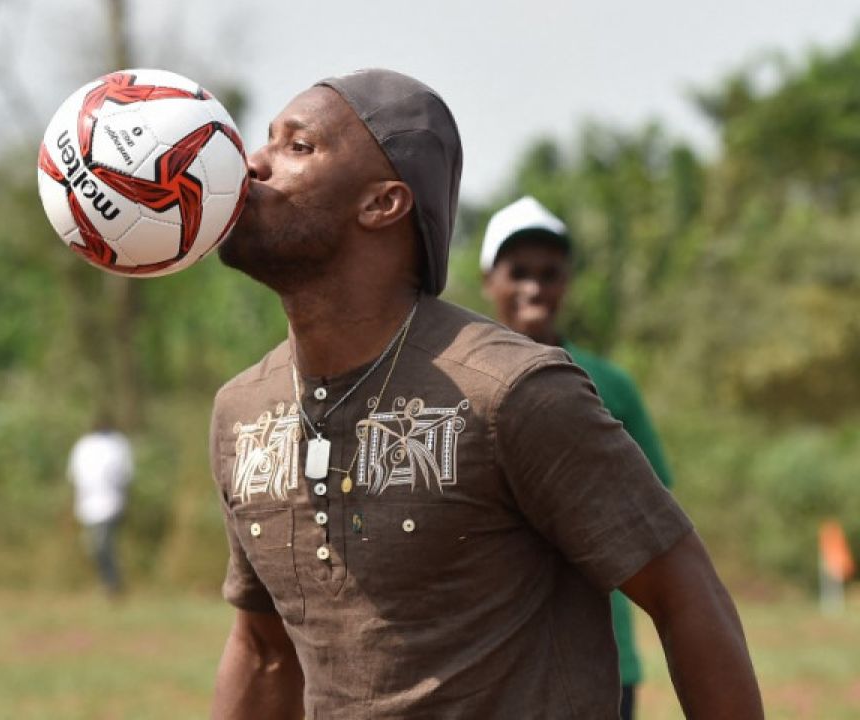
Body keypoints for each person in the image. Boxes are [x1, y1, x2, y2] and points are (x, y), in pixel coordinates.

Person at [209, 68, 762, 718]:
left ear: (383, 203)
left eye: (296, 147)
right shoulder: (243, 412)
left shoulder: (512, 391)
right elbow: (264, 649)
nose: (252, 162)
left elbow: (682, 589)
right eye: (267, 140)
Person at [480, 196, 676, 720]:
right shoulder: (457, 383)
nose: (534, 288)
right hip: (485, 654)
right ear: (487, 281)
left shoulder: (607, 385)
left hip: (598, 653)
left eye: (550, 273)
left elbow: (655, 518)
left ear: (567, 282)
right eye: (518, 271)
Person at [67, 418, 134, 596]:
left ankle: (112, 584)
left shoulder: (117, 444)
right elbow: (76, 476)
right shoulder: (85, 445)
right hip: (88, 505)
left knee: (104, 545)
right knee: (94, 547)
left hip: (110, 503)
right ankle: (108, 582)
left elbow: (124, 476)